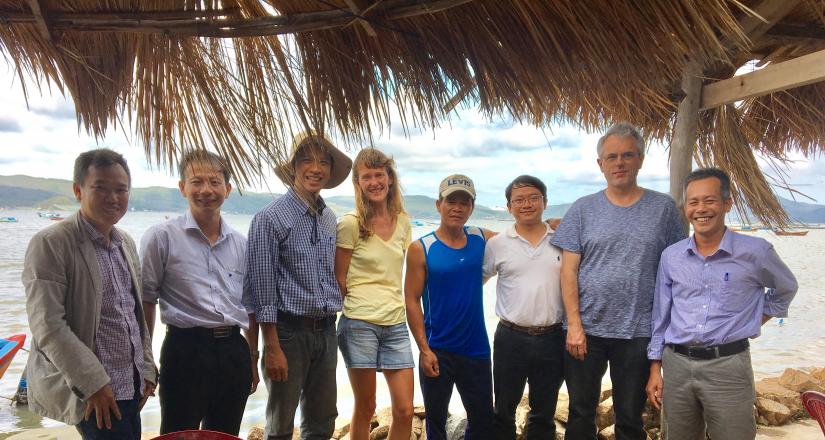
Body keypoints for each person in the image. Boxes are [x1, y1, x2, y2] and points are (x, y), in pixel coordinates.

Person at [551, 122, 685, 440]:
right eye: (611, 157)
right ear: (600, 164)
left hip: (639, 333)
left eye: (627, 155)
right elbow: (567, 271)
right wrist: (574, 325)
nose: (619, 163)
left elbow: (677, 269)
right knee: (581, 415)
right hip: (587, 332)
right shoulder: (583, 209)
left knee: (630, 418)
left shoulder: (663, 209)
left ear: (640, 159)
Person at [646, 168, 798, 440]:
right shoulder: (672, 256)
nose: (701, 209)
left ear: (727, 203)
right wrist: (655, 367)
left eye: (709, 200)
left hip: (728, 365)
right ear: (685, 208)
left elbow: (786, 288)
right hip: (677, 365)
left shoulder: (755, 252)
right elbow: (662, 315)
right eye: (693, 202)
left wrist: (755, 318)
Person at [23, 149, 157, 439]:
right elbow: (47, 325)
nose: (113, 198)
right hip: (95, 392)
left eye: (121, 190)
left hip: (131, 385)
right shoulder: (52, 243)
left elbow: (134, 315)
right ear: (78, 190)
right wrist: (93, 384)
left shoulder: (125, 243)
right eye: (101, 188)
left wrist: (147, 368)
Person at [245, 132, 352, 439]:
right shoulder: (270, 218)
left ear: (330, 171)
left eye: (323, 162)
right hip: (288, 333)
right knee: (280, 421)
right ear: (293, 167)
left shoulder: (329, 219)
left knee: (322, 419)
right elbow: (260, 292)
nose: (315, 168)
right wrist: (272, 347)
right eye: (307, 160)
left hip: (326, 330)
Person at [140, 150, 256, 435]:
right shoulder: (162, 237)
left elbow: (251, 306)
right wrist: (144, 357)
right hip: (185, 349)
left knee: (225, 434)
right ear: (183, 187)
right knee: (178, 433)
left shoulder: (241, 244)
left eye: (215, 182)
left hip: (233, 350)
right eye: (197, 181)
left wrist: (252, 358)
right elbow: (145, 299)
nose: (206, 190)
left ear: (227, 190)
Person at [405, 174, 496, 440]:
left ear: (472, 207)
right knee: (436, 423)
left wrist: (551, 224)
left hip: (476, 349)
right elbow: (411, 299)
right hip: (438, 350)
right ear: (439, 204)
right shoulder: (421, 248)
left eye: (464, 203)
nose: (457, 208)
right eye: (451, 201)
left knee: (482, 422)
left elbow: (519, 238)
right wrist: (424, 349)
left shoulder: (482, 238)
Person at [334, 148, 414, 440]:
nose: (374, 181)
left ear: (389, 179)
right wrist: (360, 307)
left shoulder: (404, 222)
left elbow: (405, 272)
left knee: (405, 410)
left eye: (379, 174)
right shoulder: (350, 224)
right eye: (366, 176)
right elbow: (338, 281)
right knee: (367, 406)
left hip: (395, 322)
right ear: (358, 183)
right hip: (359, 323)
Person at [483, 175, 565, 440]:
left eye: (533, 198)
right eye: (518, 200)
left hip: (553, 337)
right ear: (509, 207)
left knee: (544, 412)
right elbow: (476, 279)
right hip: (510, 338)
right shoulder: (497, 244)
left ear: (544, 202)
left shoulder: (563, 239)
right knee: (503, 409)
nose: (526, 204)